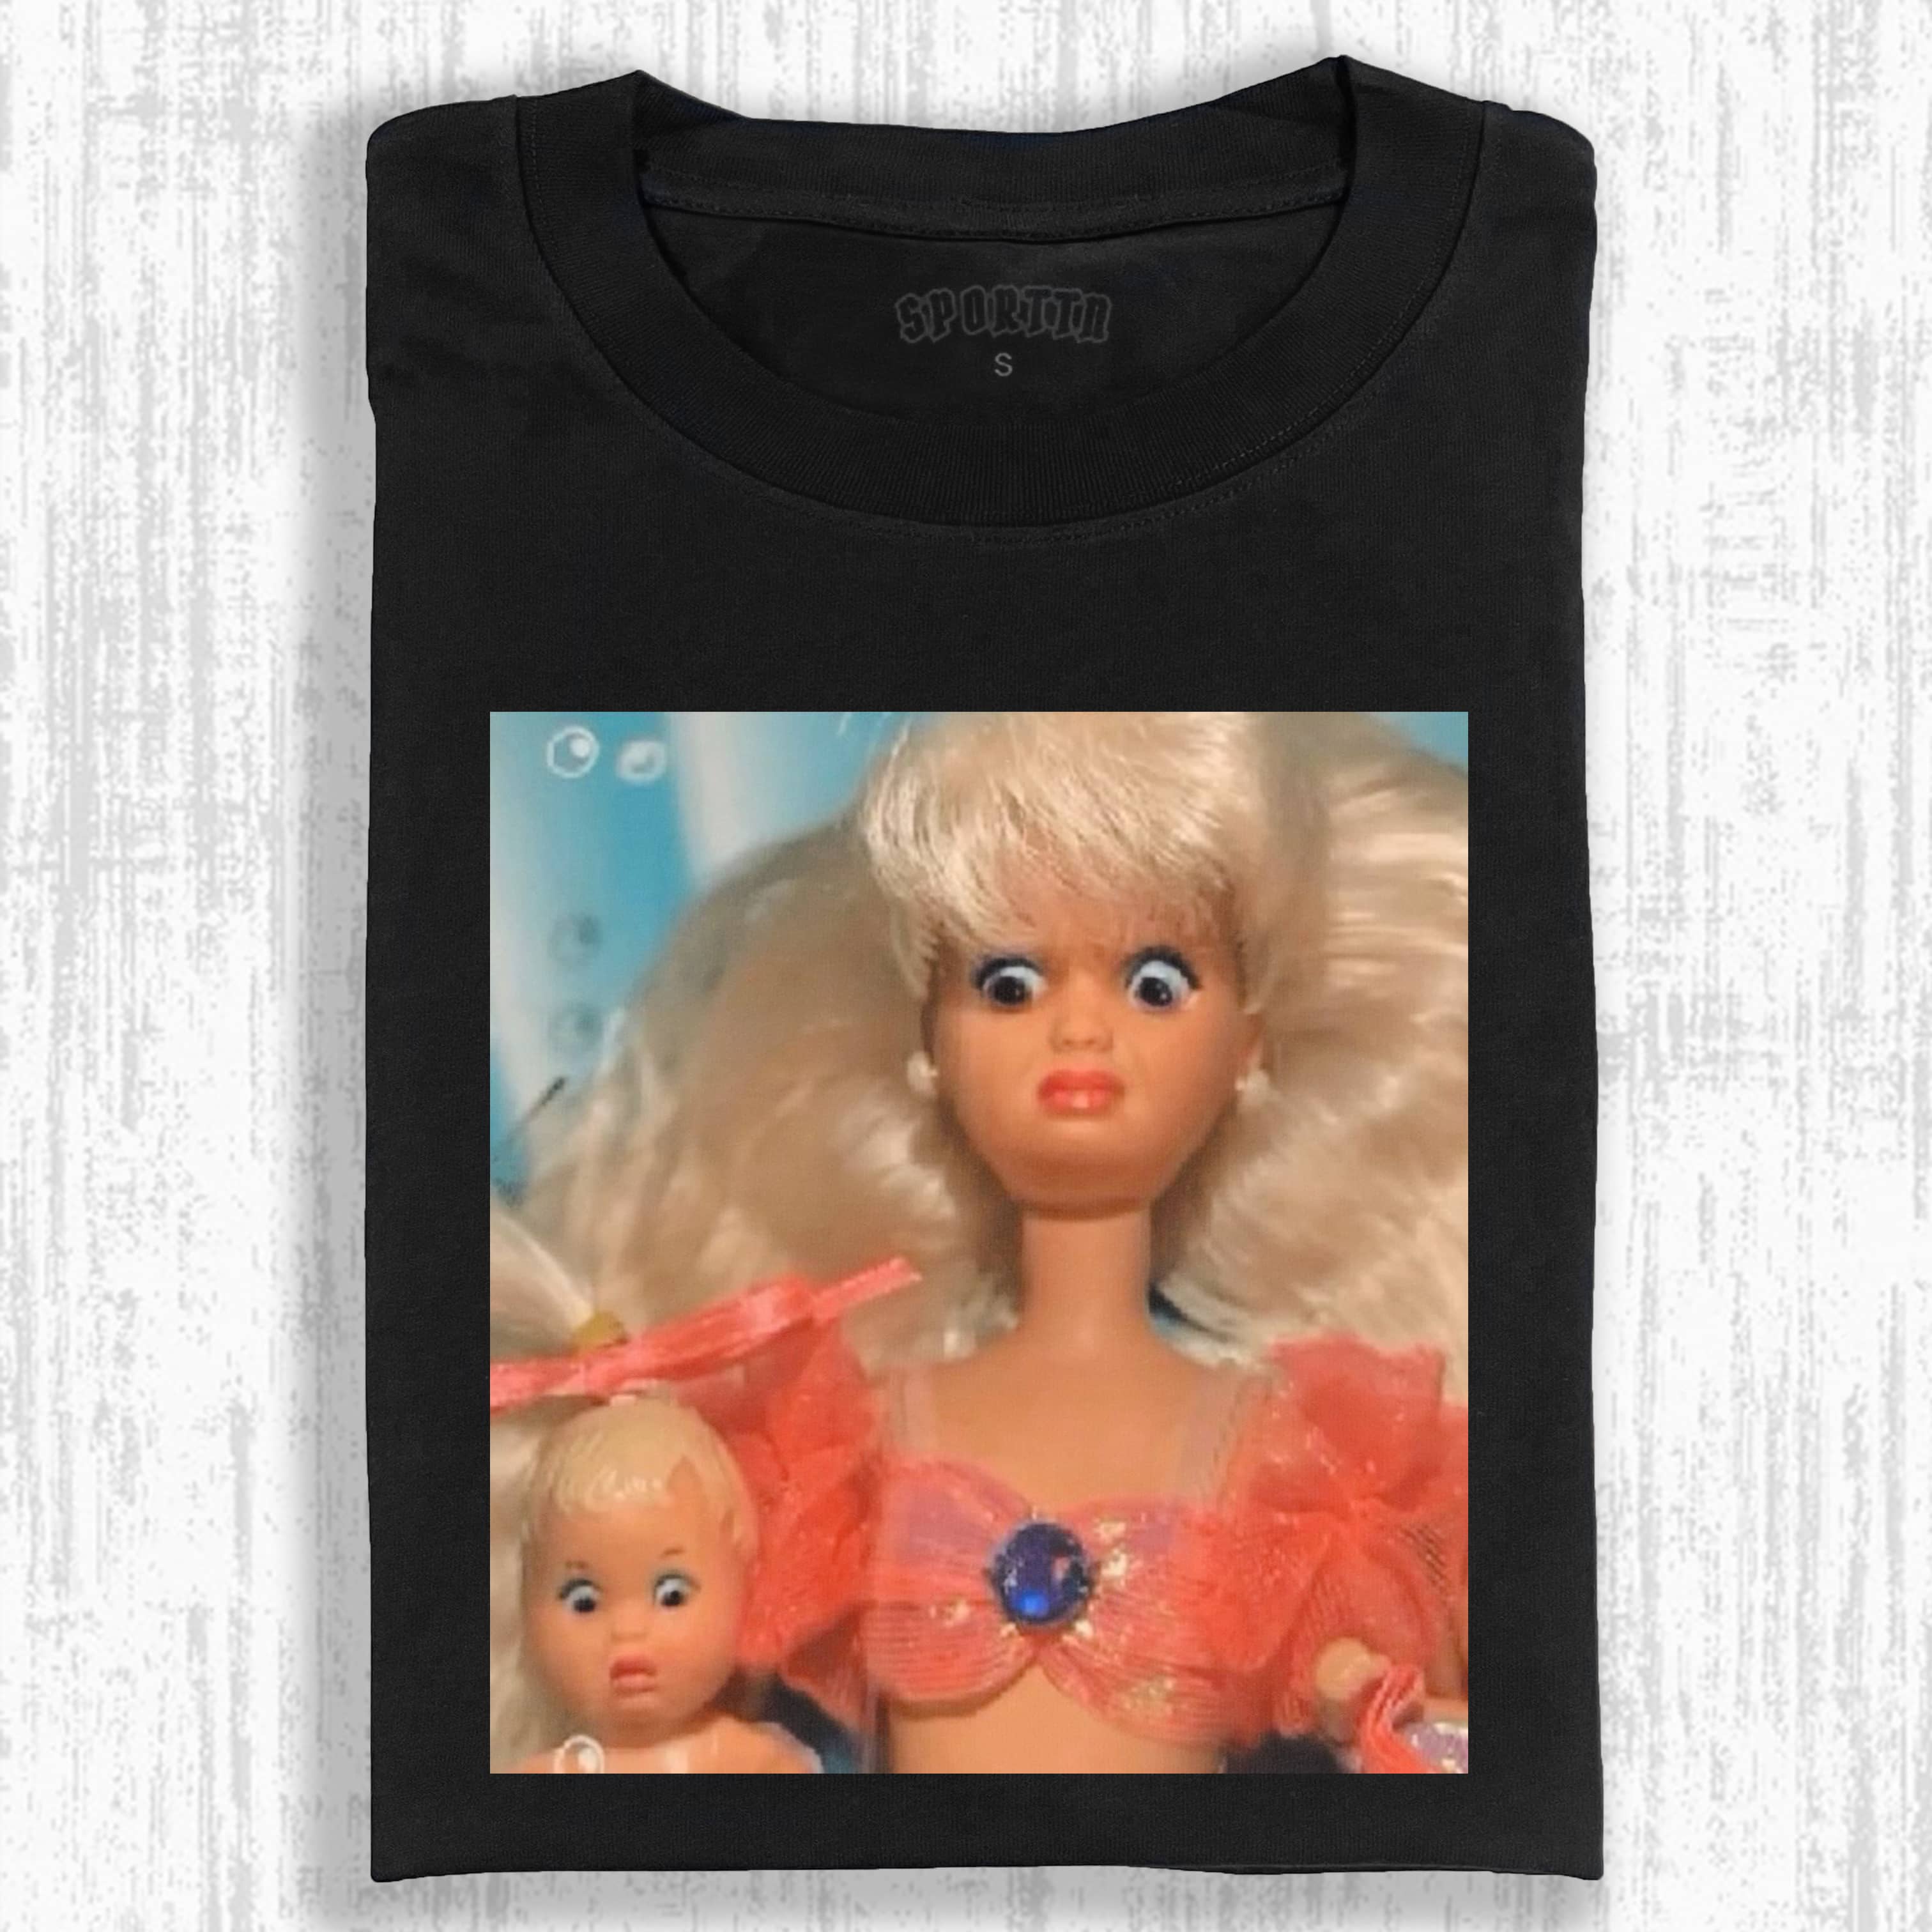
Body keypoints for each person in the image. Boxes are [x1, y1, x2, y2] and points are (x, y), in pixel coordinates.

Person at [508, 712, 1469, 1771]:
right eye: (1010, 984)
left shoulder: (1300, 1463)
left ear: (1247, 1048)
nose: (1081, 1030)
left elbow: (1380, 1700)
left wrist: (1380, 1710)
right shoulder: (841, 1447)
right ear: (929, 1040)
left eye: (1155, 983)